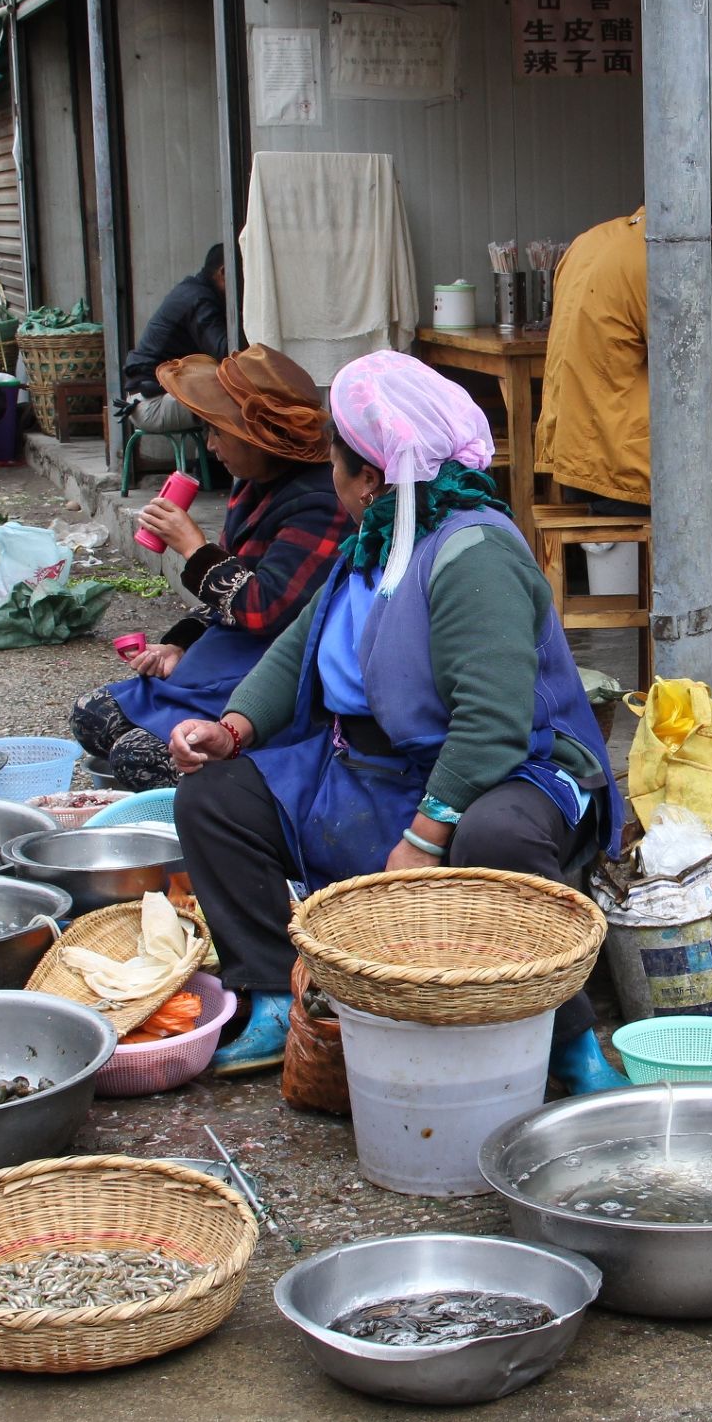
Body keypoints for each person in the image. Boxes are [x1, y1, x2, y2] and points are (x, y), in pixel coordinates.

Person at [168, 351, 629, 1091]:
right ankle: (262, 998)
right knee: (213, 799)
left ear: (373, 478)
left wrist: (424, 837)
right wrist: (234, 728)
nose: (331, 480)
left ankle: (569, 1040)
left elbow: (492, 722)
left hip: (502, 768)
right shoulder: (377, 537)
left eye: (335, 465)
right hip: (368, 765)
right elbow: (303, 645)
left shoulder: (471, 551)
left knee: (493, 839)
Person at [70, 345, 350, 790]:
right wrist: (178, 645)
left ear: (259, 436)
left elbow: (266, 610)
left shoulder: (321, 503)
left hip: (274, 675)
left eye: (219, 432)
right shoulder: (254, 485)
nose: (211, 445)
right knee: (92, 714)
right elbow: (229, 595)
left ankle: (245, 779)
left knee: (136, 757)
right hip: (227, 654)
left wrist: (193, 547)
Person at [539, 206, 712, 516]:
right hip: (627, 469)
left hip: (573, 464)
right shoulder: (660, 258)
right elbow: (694, 368)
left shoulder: (589, 242)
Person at [121, 244, 228, 446]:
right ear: (223, 273)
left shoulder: (194, 291)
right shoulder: (200, 300)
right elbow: (226, 352)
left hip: (148, 397)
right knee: (238, 402)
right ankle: (218, 472)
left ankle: (209, 469)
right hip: (152, 403)